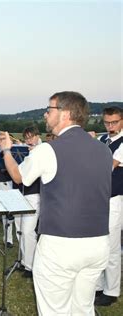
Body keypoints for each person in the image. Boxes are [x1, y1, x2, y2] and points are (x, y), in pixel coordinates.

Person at [0, 91, 112, 315]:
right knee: (83, 309)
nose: (45, 115)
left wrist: (6, 151)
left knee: (54, 310)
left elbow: (19, 177)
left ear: (65, 114)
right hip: (98, 243)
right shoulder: (104, 150)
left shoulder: (48, 150)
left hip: (61, 244)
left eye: (49, 110)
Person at [94, 106, 122, 306]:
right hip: (98, 198)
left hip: (114, 199)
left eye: (114, 122)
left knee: (111, 246)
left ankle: (111, 291)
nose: (110, 126)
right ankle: (97, 285)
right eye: (106, 122)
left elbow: (107, 165)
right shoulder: (103, 139)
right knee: (97, 243)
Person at [12, 126, 41, 278]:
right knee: (19, 229)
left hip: (34, 194)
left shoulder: (41, 151)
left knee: (29, 231)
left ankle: (32, 266)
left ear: (37, 136)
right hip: (21, 193)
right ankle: (24, 260)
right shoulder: (26, 151)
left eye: (31, 137)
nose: (29, 140)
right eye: (27, 138)